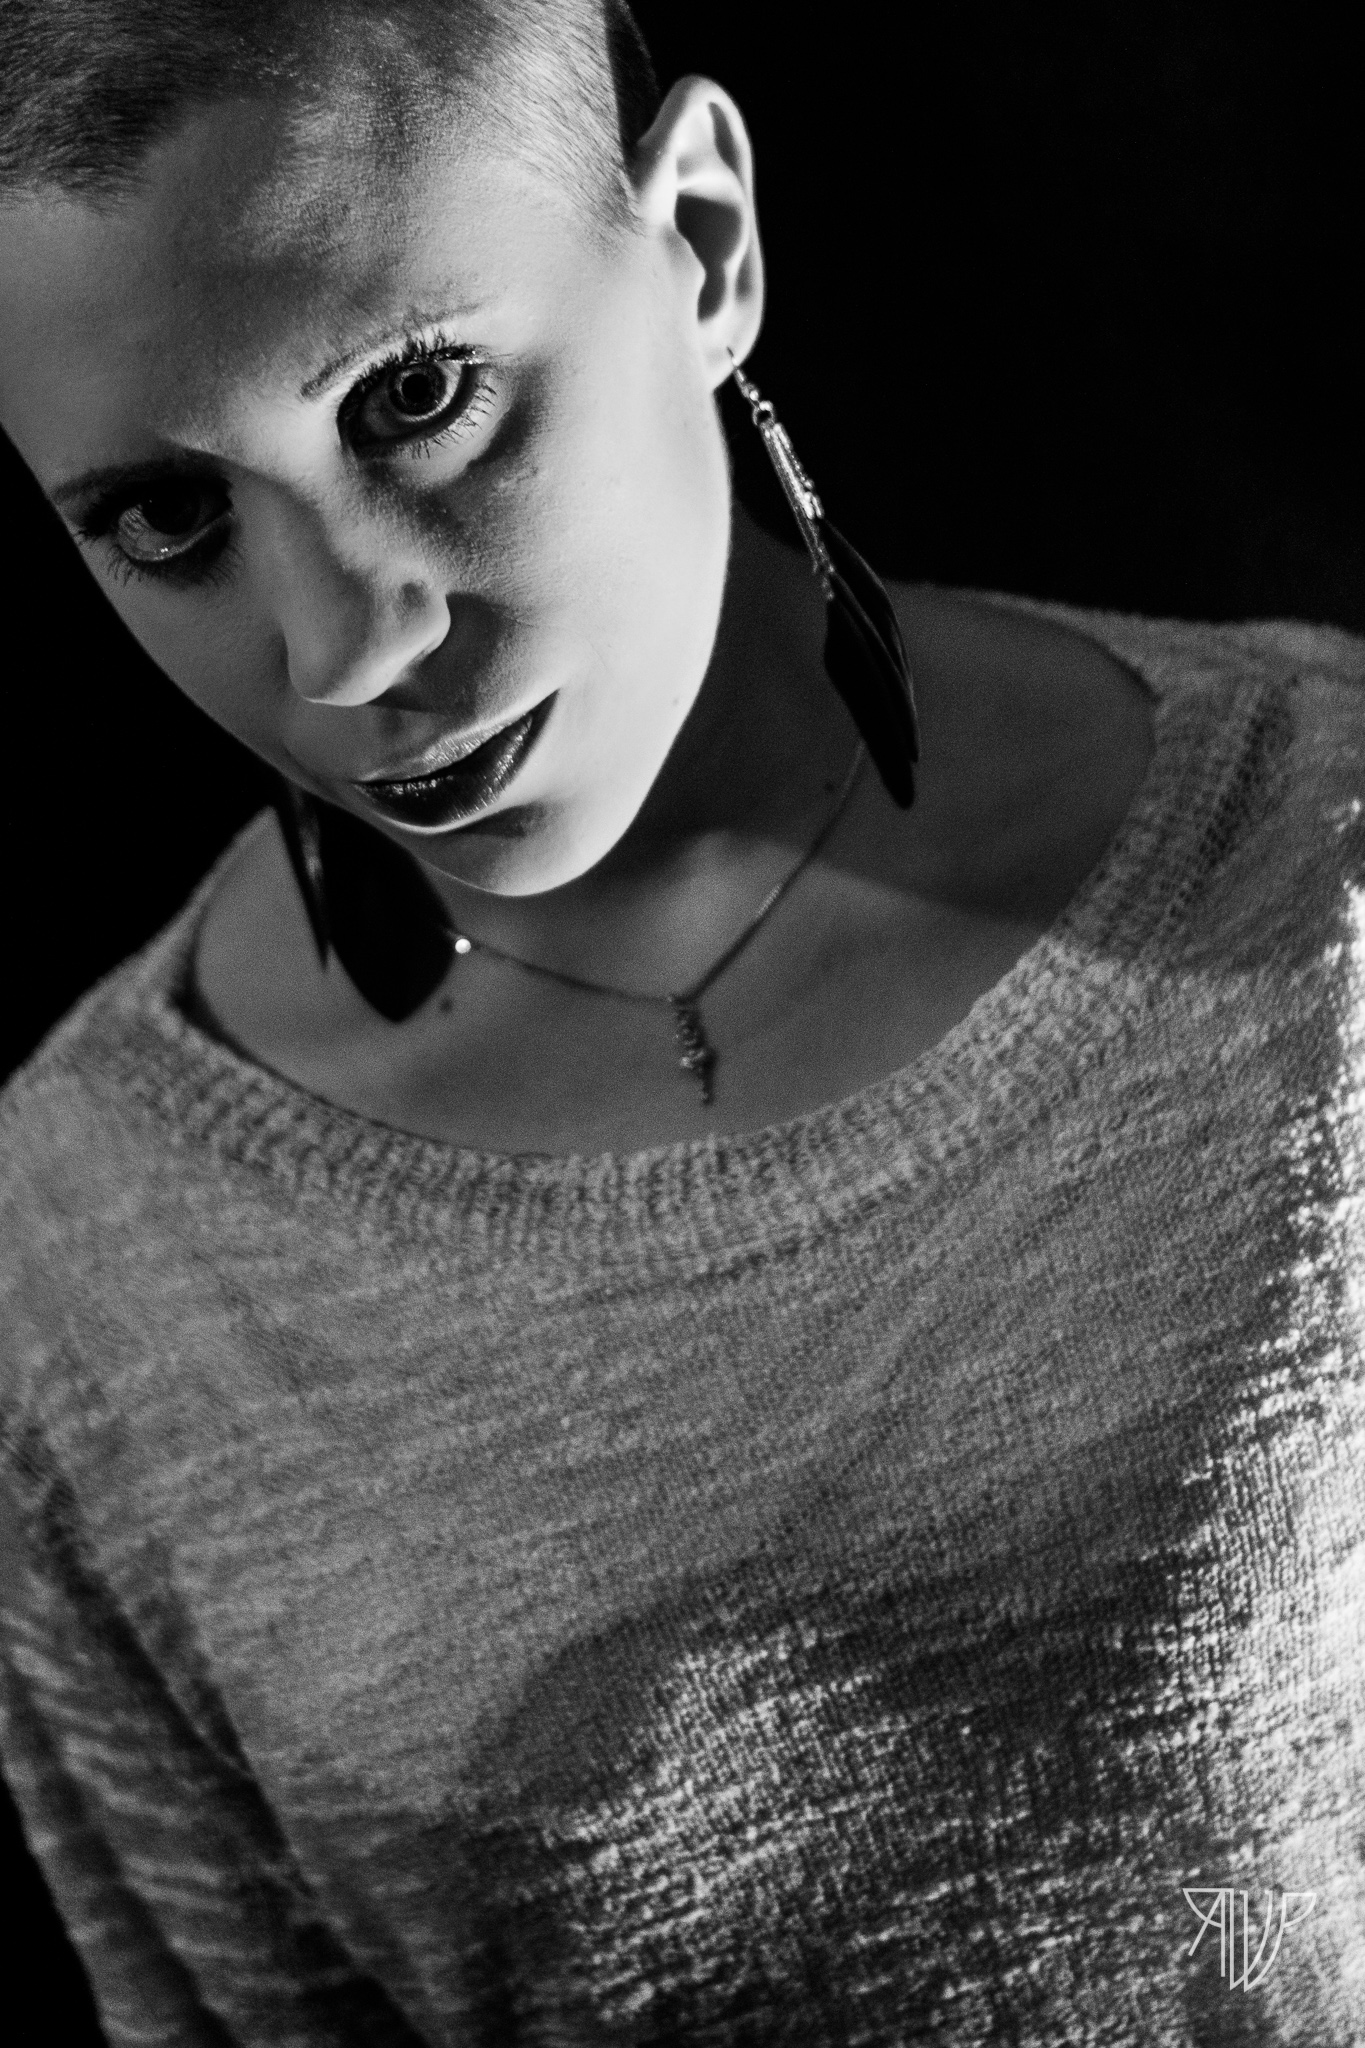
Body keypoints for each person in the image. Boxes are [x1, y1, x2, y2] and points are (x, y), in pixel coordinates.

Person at [1, 1, 1362, 2040]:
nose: (343, 644)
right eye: (169, 520)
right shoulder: (88, 1263)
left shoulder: (1324, 866)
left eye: (417, 396)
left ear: (703, 247)